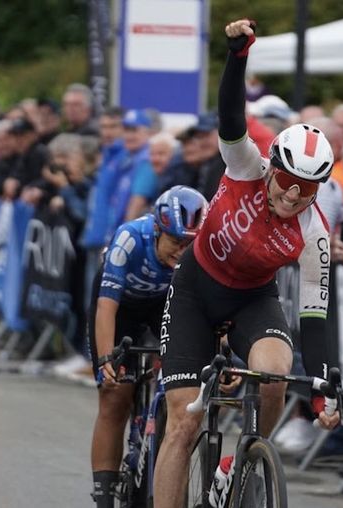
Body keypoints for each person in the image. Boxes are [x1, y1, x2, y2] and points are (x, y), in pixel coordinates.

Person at [153, 19, 341, 508]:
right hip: (196, 289)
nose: (292, 195)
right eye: (287, 181)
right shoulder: (246, 166)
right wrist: (238, 57)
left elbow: (314, 317)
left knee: (275, 372)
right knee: (183, 423)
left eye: (308, 189)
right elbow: (231, 116)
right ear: (272, 167)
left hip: (252, 300)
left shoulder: (315, 232)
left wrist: (322, 386)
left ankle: (240, 459)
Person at [89, 186, 208, 508]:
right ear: (157, 229)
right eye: (175, 242)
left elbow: (205, 310)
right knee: (115, 396)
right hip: (121, 307)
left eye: (189, 244)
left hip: (163, 306)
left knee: (182, 392)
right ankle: (104, 496)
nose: (182, 252)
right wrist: (105, 360)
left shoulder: (201, 252)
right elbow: (106, 307)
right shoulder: (130, 238)